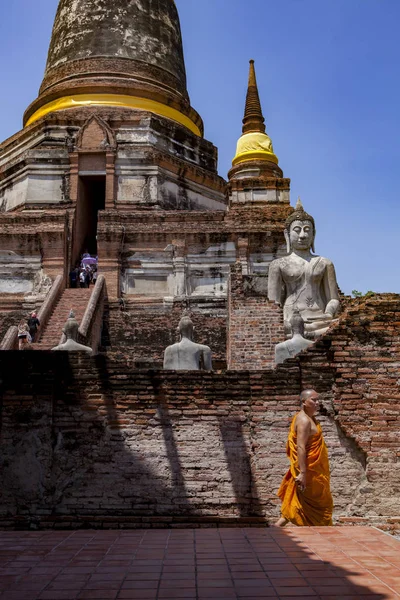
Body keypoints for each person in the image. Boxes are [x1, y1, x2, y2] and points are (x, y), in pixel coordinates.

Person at [268, 199, 340, 339]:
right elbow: (273, 302)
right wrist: (281, 322)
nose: (302, 235)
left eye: (307, 230)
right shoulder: (278, 265)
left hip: (320, 320)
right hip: (289, 321)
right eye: (297, 230)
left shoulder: (325, 263)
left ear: (314, 234)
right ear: (287, 234)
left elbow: (333, 299)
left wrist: (328, 314)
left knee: (337, 328)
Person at [275, 389, 333, 527]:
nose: (317, 403)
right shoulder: (303, 420)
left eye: (318, 400)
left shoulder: (310, 418)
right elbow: (300, 447)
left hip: (315, 470)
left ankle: (274, 530)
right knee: (321, 504)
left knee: (298, 504)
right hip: (309, 472)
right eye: (313, 400)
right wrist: (303, 473)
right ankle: (323, 532)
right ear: (304, 402)